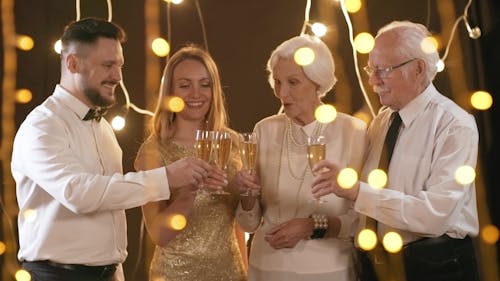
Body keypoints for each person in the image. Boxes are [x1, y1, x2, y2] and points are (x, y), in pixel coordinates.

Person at [11, 18, 226, 281]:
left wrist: (115, 271)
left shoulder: (103, 129)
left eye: (120, 65)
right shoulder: (42, 126)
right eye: (108, 65)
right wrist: (166, 177)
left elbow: (109, 208)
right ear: (73, 63)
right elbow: (78, 193)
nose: (118, 76)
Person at [312, 21, 480, 281]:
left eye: (382, 70)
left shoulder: (454, 125)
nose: (372, 81)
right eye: (370, 69)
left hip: (435, 268)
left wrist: (357, 191)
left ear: (418, 69)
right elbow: (365, 207)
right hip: (376, 266)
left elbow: (434, 216)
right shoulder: (382, 120)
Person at [234, 35, 367, 281]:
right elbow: (249, 224)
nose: (282, 93)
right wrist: (246, 195)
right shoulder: (264, 129)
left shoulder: (352, 131)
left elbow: (363, 217)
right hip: (266, 269)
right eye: (277, 82)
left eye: (293, 82)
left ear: (318, 82)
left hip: (328, 270)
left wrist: (312, 226)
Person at [134, 45, 247, 281]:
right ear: (170, 92)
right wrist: (189, 193)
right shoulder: (154, 152)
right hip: (175, 276)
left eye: (205, 84)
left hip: (231, 275)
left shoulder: (232, 142)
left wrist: (246, 272)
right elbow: (159, 235)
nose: (196, 94)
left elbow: (237, 225)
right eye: (185, 85)